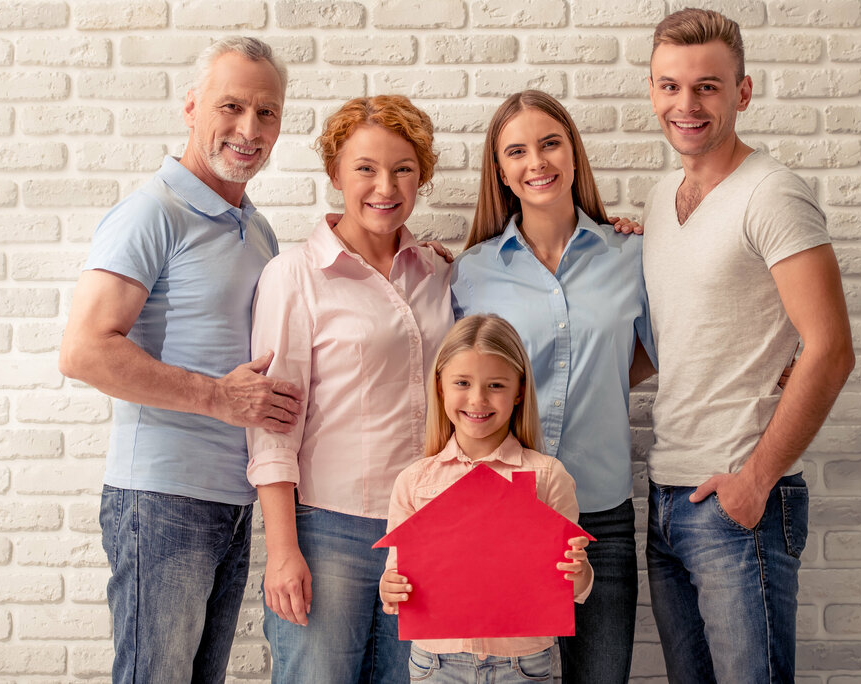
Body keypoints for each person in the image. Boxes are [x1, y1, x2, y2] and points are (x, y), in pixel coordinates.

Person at [58, 37, 301, 683]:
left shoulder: (256, 227)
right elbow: (84, 350)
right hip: (161, 498)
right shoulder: (151, 213)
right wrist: (219, 399)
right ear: (192, 107)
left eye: (267, 112)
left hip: (232, 500)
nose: (249, 129)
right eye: (232, 106)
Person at [642, 9, 855, 682]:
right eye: (670, 86)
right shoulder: (658, 199)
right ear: (652, 92)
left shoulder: (772, 194)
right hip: (668, 497)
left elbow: (831, 348)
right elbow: (673, 337)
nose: (687, 104)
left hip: (739, 505)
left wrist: (755, 481)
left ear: (743, 91)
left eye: (708, 86)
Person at [246, 95, 453, 683]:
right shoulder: (294, 275)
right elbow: (271, 424)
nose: (384, 186)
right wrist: (284, 551)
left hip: (426, 529)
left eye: (403, 169)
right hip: (328, 528)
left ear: (422, 176)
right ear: (336, 173)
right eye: (365, 168)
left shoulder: (438, 271)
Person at [451, 90, 655, 684]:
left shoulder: (631, 254)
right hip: (499, 510)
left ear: (573, 153)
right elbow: (458, 388)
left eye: (549, 143)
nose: (536, 161)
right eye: (516, 151)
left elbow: (646, 351)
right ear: (501, 172)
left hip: (599, 515)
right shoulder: (471, 272)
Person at [379, 314, 593, 683]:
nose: (477, 399)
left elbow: (576, 589)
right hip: (436, 664)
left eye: (495, 384)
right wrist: (390, 588)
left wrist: (578, 572)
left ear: (519, 391)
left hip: (523, 665)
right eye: (462, 382)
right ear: (441, 386)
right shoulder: (414, 481)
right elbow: (396, 575)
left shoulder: (547, 476)